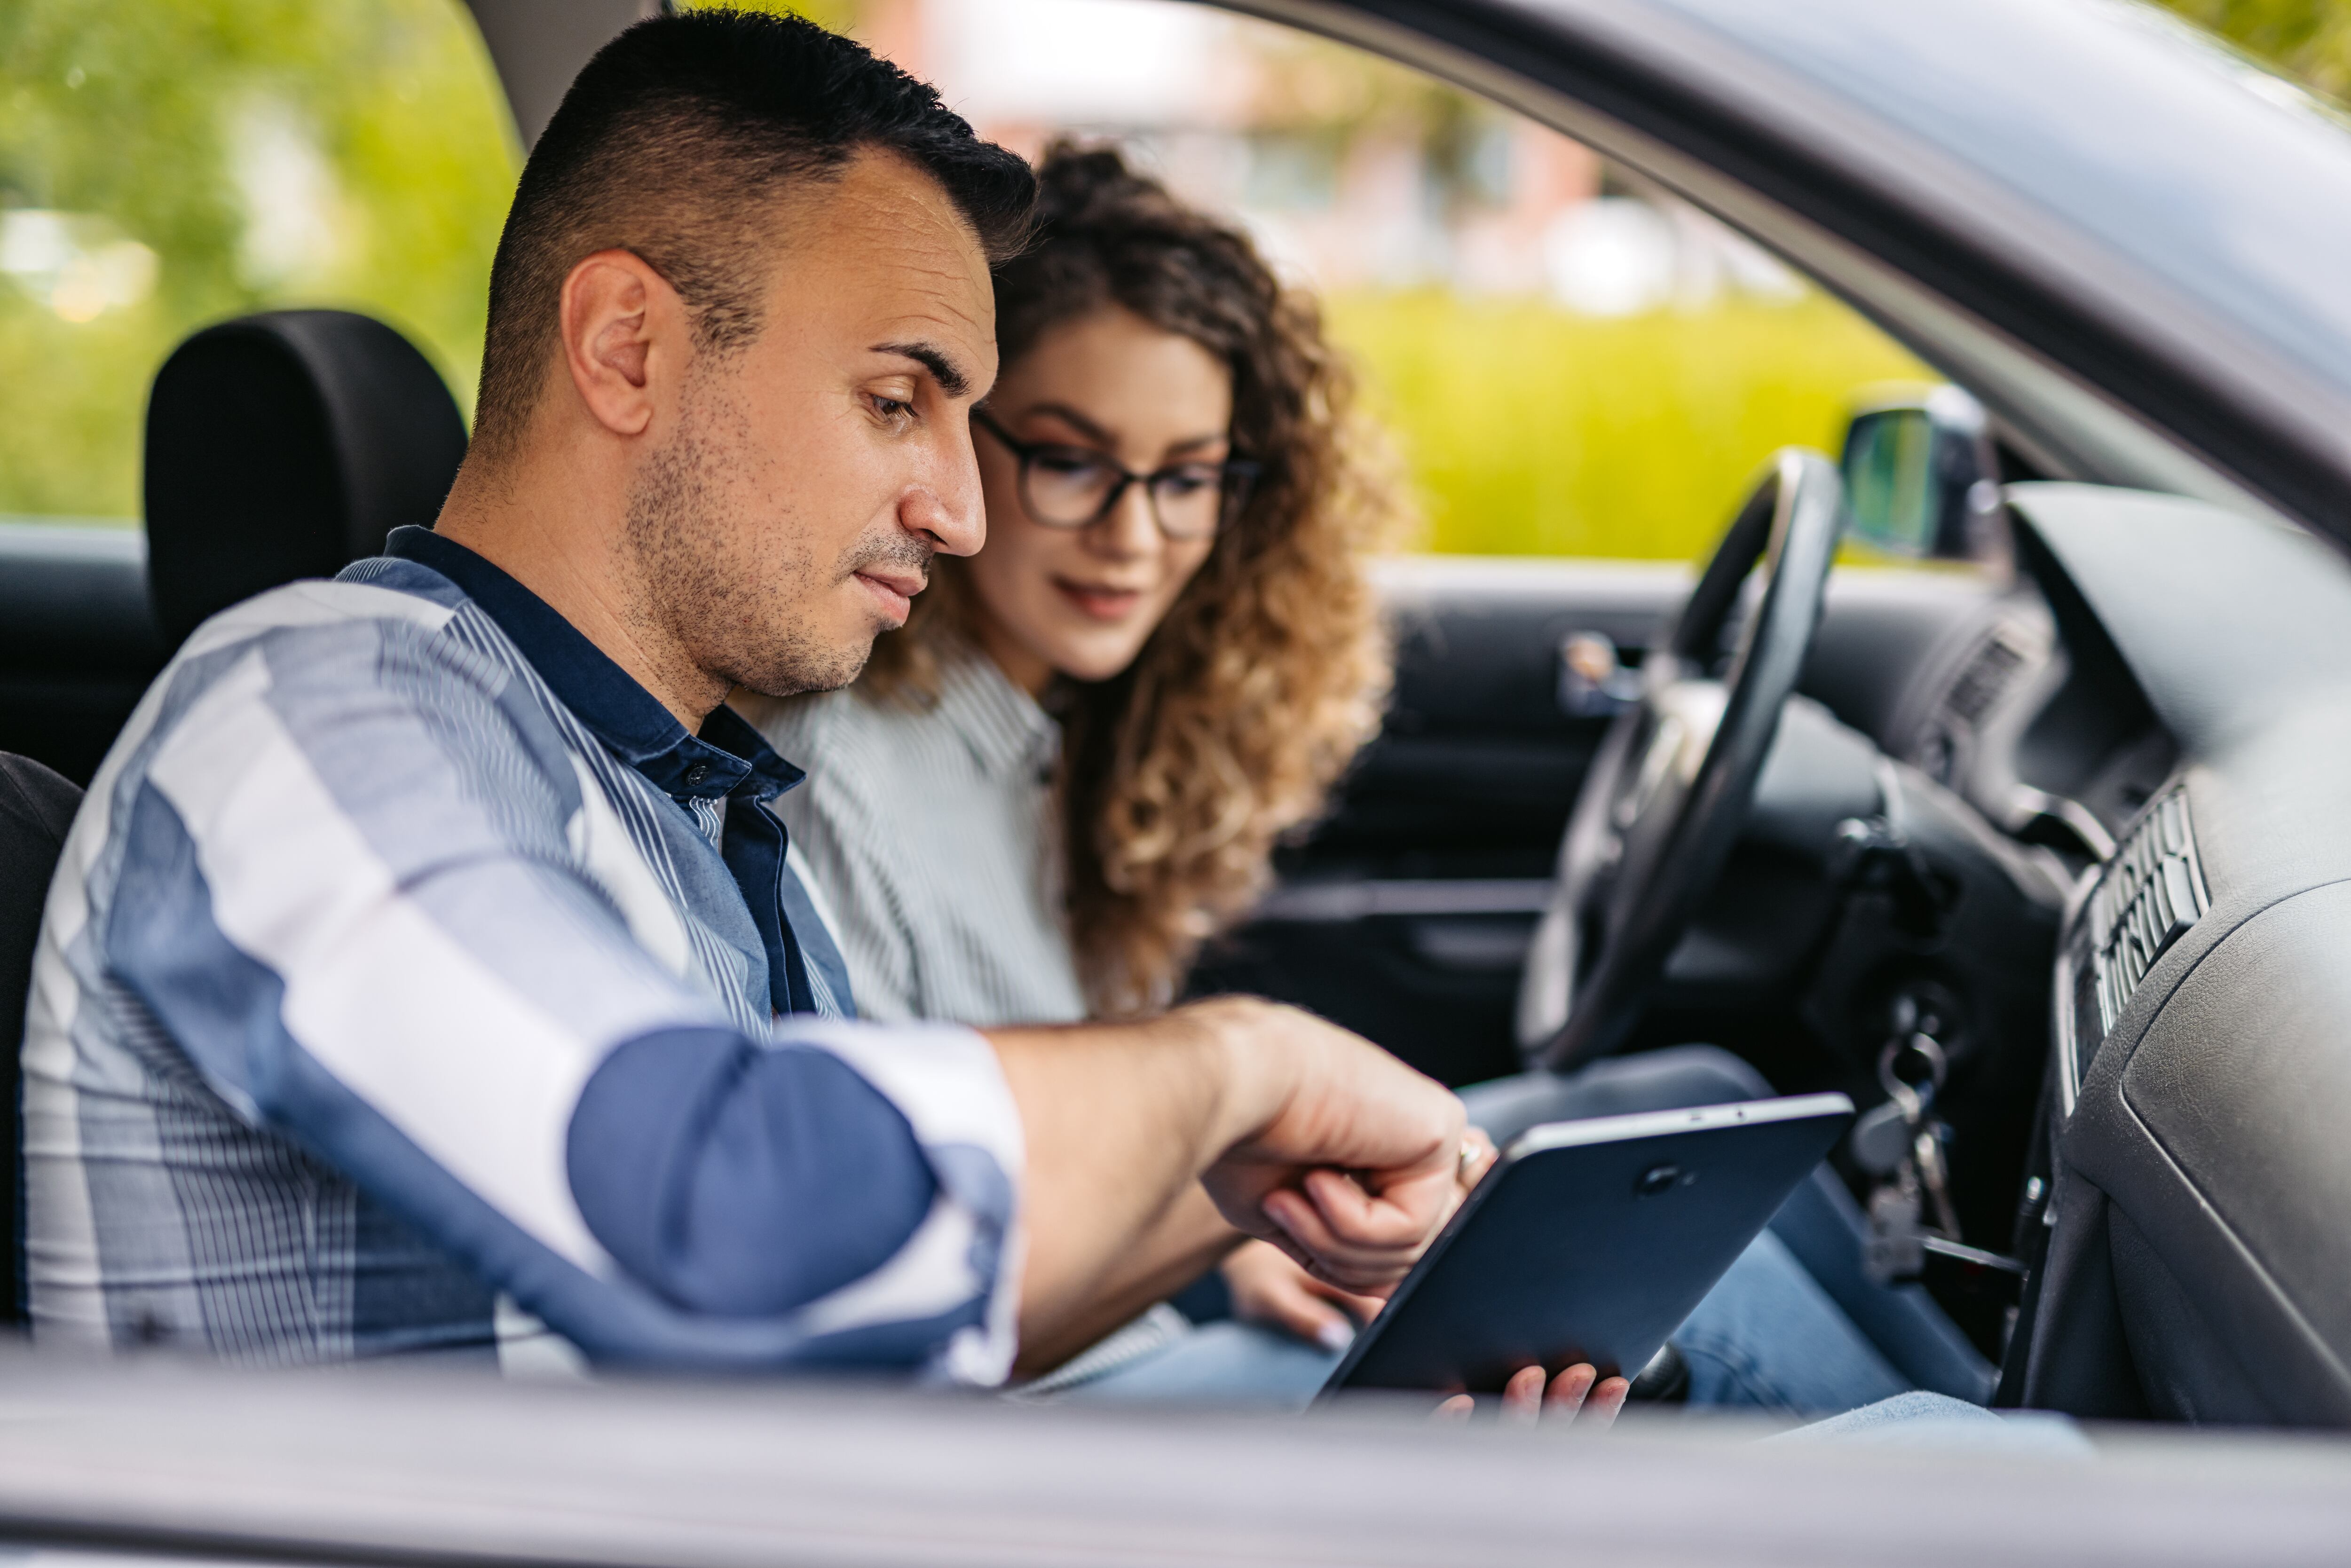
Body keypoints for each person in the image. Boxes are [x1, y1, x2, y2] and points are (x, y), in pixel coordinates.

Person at [18, 10, 1471, 1381]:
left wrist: (1233, 1195)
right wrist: (1237, 1069)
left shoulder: (695, 806)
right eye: (899, 401)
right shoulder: (313, 718)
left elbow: (873, 1344)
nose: (964, 509)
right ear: (627, 349)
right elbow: (726, 1237)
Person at [742, 147, 1949, 1414]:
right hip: (1029, 1429)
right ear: (957, 438)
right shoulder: (853, 781)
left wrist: (1234, 1259)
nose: (1136, 534)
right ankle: (2025, 1487)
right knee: (1720, 1313)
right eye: (1072, 460)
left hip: (1128, 1317)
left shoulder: (1040, 737)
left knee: (1696, 1101)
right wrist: (1215, 1247)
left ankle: (1997, 1409)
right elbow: (932, 1273)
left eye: (1189, 477)